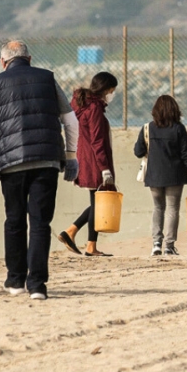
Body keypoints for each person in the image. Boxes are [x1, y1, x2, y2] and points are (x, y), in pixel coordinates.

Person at [0, 40, 79, 300]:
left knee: (14, 220)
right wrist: (71, 156)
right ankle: (38, 286)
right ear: (29, 59)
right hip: (46, 160)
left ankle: (16, 280)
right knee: (41, 223)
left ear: (3, 62)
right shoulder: (48, 79)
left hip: (11, 163)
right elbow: (70, 120)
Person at [57, 72, 118, 258]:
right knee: (100, 201)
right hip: (94, 160)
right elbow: (97, 140)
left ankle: (72, 232)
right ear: (106, 89)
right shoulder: (95, 108)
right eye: (112, 90)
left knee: (97, 201)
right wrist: (105, 168)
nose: (112, 94)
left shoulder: (81, 103)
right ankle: (89, 245)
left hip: (82, 157)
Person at [133, 94, 187, 256]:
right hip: (174, 175)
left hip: (154, 176)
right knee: (172, 209)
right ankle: (169, 246)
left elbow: (138, 152)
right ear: (174, 110)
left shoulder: (147, 128)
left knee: (157, 208)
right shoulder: (179, 128)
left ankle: (156, 243)